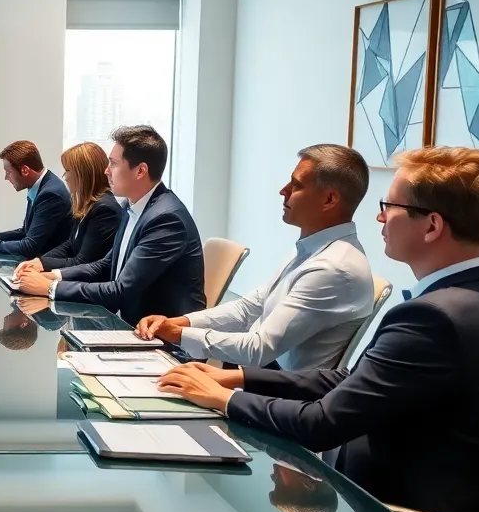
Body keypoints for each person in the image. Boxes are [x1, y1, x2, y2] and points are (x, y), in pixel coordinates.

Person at [158, 146, 479, 512]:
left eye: (389, 206)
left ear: (432, 225)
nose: (378, 218)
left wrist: (221, 399)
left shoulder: (435, 317)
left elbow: (323, 423)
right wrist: (239, 380)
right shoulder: (477, 296)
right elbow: (350, 379)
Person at [136, 145, 375, 370]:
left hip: (278, 396)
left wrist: (178, 334)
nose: (284, 191)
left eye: (296, 185)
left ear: (329, 200)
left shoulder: (332, 268)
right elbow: (249, 308)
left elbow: (259, 349)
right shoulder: (313, 248)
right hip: (262, 378)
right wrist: (178, 323)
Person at [11, 125, 205, 325]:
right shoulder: (133, 208)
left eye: (113, 164)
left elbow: (121, 291)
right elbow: (106, 264)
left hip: (162, 341)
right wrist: (52, 276)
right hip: (130, 325)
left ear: (140, 171)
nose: (106, 171)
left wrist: (49, 288)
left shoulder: (165, 219)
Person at [13, 142, 119, 275]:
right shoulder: (87, 204)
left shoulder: (105, 209)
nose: (65, 177)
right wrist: (38, 262)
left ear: (83, 174)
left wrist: (43, 265)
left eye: (68, 171)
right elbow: (70, 245)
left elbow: (83, 261)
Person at [0, 140, 73, 258]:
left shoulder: (50, 194)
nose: (6, 177)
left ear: (25, 170)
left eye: (8, 172)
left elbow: (29, 247)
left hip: (48, 267)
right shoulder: (41, 186)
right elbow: (25, 232)